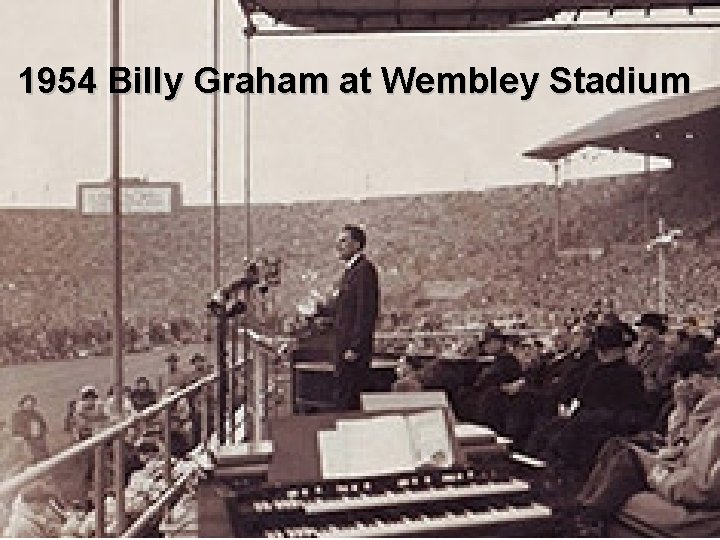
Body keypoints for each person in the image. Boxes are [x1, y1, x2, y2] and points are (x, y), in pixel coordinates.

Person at [332, 224, 380, 410]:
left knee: (350, 399)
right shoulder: (350, 272)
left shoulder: (364, 271)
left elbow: (365, 312)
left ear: (357, 244)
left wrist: (355, 347)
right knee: (344, 395)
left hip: (352, 352)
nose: (339, 246)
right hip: (344, 348)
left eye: (344, 241)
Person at [10, 394, 49, 462]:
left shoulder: (36, 414)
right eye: (27, 404)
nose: (29, 406)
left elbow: (44, 426)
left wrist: (40, 432)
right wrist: (29, 433)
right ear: (22, 404)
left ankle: (44, 457)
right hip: (28, 439)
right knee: (34, 454)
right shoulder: (18, 415)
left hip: (39, 438)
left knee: (44, 454)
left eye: (31, 404)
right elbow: (17, 430)